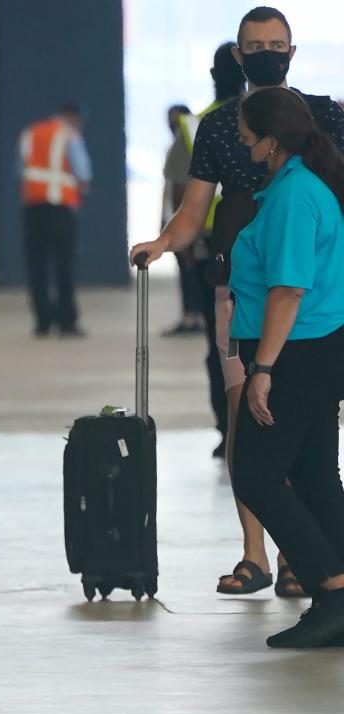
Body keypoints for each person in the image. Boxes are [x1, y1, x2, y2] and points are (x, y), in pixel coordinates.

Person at [130, 6, 344, 599]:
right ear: (239, 55)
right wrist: (162, 242)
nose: (268, 52)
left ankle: (309, 561)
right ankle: (260, 553)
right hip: (243, 289)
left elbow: (307, 252)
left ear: (293, 52)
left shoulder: (323, 118)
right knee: (251, 426)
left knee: (292, 442)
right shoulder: (222, 126)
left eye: (278, 43)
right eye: (256, 44)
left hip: (304, 293)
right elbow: (194, 211)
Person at [229, 86, 344, 648]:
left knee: (255, 472)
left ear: (270, 140)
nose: (240, 138)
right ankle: (336, 599)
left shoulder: (296, 194)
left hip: (296, 352)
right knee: (318, 476)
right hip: (314, 350)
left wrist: (263, 368)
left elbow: (288, 290)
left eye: (247, 131)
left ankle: (333, 585)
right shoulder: (291, 186)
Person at [166, 43, 246, 456]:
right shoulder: (277, 118)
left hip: (213, 253)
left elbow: (184, 197)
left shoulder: (196, 125)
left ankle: (228, 429)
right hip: (245, 251)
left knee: (222, 348)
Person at [19, 103, 92, 337]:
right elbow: (83, 175)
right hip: (61, 209)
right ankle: (67, 322)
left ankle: (42, 322)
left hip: (33, 208)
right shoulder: (70, 135)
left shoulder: (30, 133)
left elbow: (19, 170)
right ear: (72, 118)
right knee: (64, 265)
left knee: (37, 266)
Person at [161, 103, 204, 337]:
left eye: (176, 120)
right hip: (176, 221)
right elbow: (168, 191)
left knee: (194, 270)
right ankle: (189, 315)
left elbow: (182, 192)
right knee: (185, 270)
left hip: (190, 224)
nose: (172, 125)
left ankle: (196, 316)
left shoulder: (193, 148)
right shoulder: (175, 149)